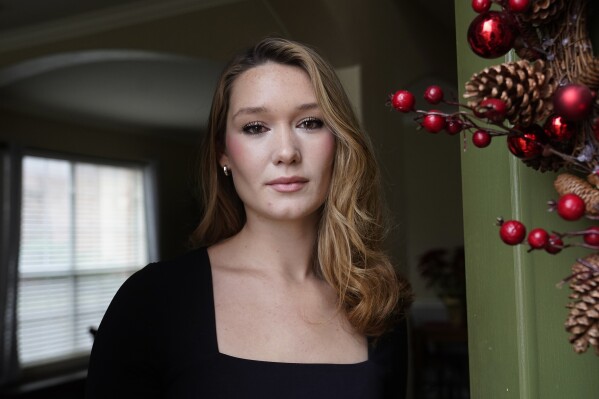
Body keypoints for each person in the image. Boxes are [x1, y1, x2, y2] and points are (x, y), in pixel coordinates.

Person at [86, 37, 412, 398]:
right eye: (256, 127)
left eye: (310, 123)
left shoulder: (375, 299)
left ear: (338, 141)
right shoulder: (154, 300)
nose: (287, 152)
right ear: (223, 153)